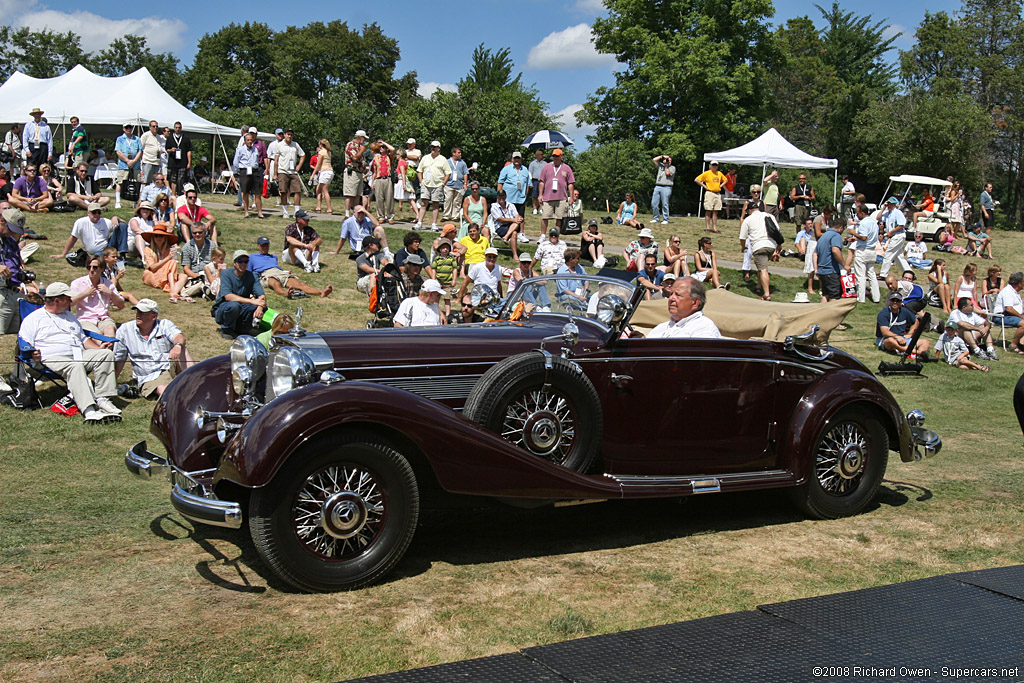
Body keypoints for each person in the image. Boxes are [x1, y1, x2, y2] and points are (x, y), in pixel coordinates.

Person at [19, 282, 121, 422]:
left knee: (106, 355)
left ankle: (103, 398)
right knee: (75, 366)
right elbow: (24, 341)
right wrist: (31, 353)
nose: (71, 301)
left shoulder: (69, 316)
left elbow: (83, 340)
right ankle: (89, 410)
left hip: (78, 354)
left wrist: (98, 349)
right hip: (54, 357)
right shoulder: (34, 319)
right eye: (67, 298)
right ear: (57, 300)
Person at [113, 298, 194, 397]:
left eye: (143, 312)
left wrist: (177, 346)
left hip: (168, 365)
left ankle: (195, 381)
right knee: (162, 389)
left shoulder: (164, 324)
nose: (138, 315)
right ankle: (183, 397)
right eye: (137, 311)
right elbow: (119, 359)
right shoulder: (125, 330)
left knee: (182, 349)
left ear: (154, 316)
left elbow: (179, 337)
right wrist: (111, 383)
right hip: (148, 375)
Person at [248, 236, 332, 299]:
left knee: (300, 284)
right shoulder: (252, 257)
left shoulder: (273, 257)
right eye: (263, 246)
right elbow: (249, 272)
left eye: (267, 245)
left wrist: (285, 271)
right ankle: (286, 294)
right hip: (266, 274)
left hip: (279, 272)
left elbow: (275, 267)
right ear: (258, 246)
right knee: (276, 284)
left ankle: (320, 292)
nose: (265, 248)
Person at [0, 208, 39, 335]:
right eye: (11, 229)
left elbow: (17, 263)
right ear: (2, 221)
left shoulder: (10, 241)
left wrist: (23, 276)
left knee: (16, 336)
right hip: (1, 295)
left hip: (15, 293)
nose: (13, 233)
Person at [214, 250, 267, 338]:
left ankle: (243, 328)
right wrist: (252, 301)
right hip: (224, 307)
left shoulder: (253, 276)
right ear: (234, 263)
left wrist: (260, 308)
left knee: (262, 307)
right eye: (240, 261)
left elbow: (262, 296)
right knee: (234, 305)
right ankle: (227, 329)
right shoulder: (226, 274)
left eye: (245, 261)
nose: (243, 264)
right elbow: (228, 296)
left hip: (242, 306)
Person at [648, 277, 722, 339]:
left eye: (678, 295)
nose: (671, 298)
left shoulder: (704, 329)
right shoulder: (661, 327)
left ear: (695, 302)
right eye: (671, 294)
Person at [70, 254, 125, 337]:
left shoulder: (108, 284)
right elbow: (70, 303)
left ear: (102, 269)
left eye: (95, 267)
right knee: (98, 336)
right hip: (85, 319)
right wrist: (84, 294)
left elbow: (121, 305)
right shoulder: (77, 283)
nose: (91, 270)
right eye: (89, 267)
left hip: (103, 318)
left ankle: (107, 347)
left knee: (110, 332)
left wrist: (110, 293)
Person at [738, 202, 780, 300]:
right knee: (762, 267)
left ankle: (766, 294)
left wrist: (743, 247)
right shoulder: (769, 216)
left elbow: (742, 237)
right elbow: (777, 230)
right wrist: (778, 247)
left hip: (759, 246)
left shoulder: (748, 219)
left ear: (749, 210)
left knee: (763, 269)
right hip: (771, 245)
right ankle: (759, 286)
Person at [139, 223, 189, 302]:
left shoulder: (168, 249)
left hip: (167, 274)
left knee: (184, 276)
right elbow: (152, 267)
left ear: (165, 237)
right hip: (153, 274)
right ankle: (173, 289)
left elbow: (171, 269)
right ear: (153, 238)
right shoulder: (148, 249)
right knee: (172, 262)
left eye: (161, 236)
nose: (159, 238)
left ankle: (173, 292)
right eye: (156, 236)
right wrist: (168, 258)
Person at [54, 203, 121, 258]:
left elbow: (125, 226)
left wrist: (116, 218)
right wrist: (63, 254)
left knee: (122, 225)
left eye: (99, 212)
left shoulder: (105, 221)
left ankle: (123, 253)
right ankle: (118, 260)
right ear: (88, 213)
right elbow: (73, 238)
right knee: (99, 258)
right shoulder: (80, 222)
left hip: (108, 246)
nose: (97, 215)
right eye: (94, 212)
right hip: (98, 252)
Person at [876, 292, 930, 357]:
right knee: (890, 341)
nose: (895, 302)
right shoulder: (883, 313)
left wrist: (910, 334)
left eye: (897, 301)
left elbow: (915, 321)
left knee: (925, 342)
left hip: (903, 338)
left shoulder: (904, 311)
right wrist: (897, 337)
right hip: (886, 339)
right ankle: (915, 352)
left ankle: (908, 351)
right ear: (889, 301)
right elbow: (885, 332)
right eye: (893, 300)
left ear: (901, 302)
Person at [537, 148, 575, 235]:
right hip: (548, 197)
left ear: (561, 156)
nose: (555, 158)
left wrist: (571, 197)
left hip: (561, 197)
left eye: (557, 156)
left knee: (559, 218)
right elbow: (542, 181)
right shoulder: (547, 167)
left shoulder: (567, 168)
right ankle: (543, 235)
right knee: (545, 216)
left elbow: (570, 183)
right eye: (554, 156)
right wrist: (540, 194)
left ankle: (555, 235)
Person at [847, 205, 880, 304]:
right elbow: (868, 237)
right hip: (872, 250)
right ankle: (876, 297)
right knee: (871, 274)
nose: (857, 215)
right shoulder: (874, 223)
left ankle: (861, 298)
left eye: (858, 213)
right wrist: (856, 238)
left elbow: (864, 237)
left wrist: (853, 233)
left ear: (862, 212)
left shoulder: (863, 223)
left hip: (863, 250)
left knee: (860, 275)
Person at [416, 141, 450, 231]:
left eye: (435, 147)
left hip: (438, 184)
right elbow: (419, 170)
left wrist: (443, 184)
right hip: (426, 184)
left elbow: (448, 173)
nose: (433, 149)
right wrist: (421, 182)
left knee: (436, 204)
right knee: (424, 203)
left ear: (439, 148)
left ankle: (434, 224)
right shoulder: (425, 158)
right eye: (432, 147)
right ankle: (419, 222)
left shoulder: (443, 159)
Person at [949, 296, 996, 360]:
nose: (973, 307)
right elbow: (962, 324)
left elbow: (985, 322)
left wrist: (987, 327)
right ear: (964, 307)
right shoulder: (955, 313)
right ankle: (977, 351)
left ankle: (990, 350)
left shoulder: (971, 314)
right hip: (956, 337)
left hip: (970, 336)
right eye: (971, 305)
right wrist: (978, 329)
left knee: (983, 327)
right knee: (965, 329)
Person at [272, 129, 305, 218]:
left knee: (297, 191)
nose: (289, 136)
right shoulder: (279, 145)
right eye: (288, 134)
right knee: (283, 191)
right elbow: (276, 160)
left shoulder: (295, 145)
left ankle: (297, 211)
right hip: (282, 171)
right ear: (285, 135)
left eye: (291, 135)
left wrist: (299, 165)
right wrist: (275, 174)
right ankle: (285, 211)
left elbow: (302, 155)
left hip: (293, 171)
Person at [180, 223, 217, 299]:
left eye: (200, 232)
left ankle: (204, 291)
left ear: (205, 232)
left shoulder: (213, 246)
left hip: (210, 274)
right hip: (195, 276)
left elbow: (217, 264)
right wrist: (197, 276)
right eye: (194, 233)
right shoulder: (186, 248)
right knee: (199, 283)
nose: (197, 235)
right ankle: (206, 290)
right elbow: (186, 269)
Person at [232, 133, 264, 219]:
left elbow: (257, 160)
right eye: (248, 140)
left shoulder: (255, 149)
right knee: (245, 192)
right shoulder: (240, 150)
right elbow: (235, 162)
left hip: (254, 171)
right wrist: (237, 172)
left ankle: (260, 212)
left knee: (257, 193)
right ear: (245, 141)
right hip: (244, 171)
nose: (250, 142)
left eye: (251, 140)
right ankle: (246, 212)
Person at [815, 217, 846, 302]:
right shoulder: (836, 235)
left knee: (825, 295)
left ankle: (820, 313)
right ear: (841, 227)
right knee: (834, 296)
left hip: (822, 270)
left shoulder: (823, 236)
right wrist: (844, 264)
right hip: (831, 271)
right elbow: (835, 250)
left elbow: (815, 253)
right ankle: (833, 315)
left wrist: (816, 268)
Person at [992, 271, 1024, 353]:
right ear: (1018, 283)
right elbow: (1009, 309)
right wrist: (1021, 317)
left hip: (1011, 315)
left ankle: (1020, 343)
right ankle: (1013, 345)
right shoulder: (1008, 291)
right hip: (1002, 316)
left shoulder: (1015, 292)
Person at [282, 209, 323, 273]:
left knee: (316, 245)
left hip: (303, 252)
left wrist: (313, 244)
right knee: (294, 246)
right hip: (290, 255)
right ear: (298, 219)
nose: (308, 221)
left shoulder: (309, 229)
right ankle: (306, 265)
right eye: (305, 219)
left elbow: (319, 239)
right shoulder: (290, 228)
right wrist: (304, 245)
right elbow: (289, 239)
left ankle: (315, 265)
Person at [879, 196, 910, 278]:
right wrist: (883, 208)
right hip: (893, 236)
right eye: (889, 203)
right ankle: (909, 272)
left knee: (888, 254)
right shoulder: (887, 214)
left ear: (895, 204)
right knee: (899, 257)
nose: (889, 205)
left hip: (898, 235)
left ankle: (883, 274)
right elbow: (878, 218)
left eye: (891, 204)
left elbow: (901, 225)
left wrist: (891, 232)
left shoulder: (898, 213)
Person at [489, 190, 525, 259]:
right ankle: (515, 255)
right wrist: (514, 220)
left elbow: (516, 215)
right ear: (497, 197)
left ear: (505, 196)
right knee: (514, 232)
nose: (501, 198)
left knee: (516, 225)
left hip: (511, 225)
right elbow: (500, 219)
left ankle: (506, 237)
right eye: (499, 196)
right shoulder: (494, 206)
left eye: (502, 196)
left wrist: (519, 218)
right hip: (500, 227)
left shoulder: (511, 205)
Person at [113, 123, 142, 209]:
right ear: (123, 129)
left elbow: (140, 151)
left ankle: (136, 201)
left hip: (135, 165)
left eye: (130, 127)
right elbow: (118, 151)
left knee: (137, 183)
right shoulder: (120, 139)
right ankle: (118, 201)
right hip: (123, 165)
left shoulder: (137, 139)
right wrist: (127, 161)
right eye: (127, 127)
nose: (128, 129)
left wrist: (134, 161)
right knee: (120, 182)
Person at [497, 150, 532, 219]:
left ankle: (520, 230)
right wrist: (499, 197)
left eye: (518, 158)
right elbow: (500, 183)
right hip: (508, 199)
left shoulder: (525, 170)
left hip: (520, 199)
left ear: (521, 159)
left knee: (520, 219)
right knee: (509, 218)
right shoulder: (506, 169)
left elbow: (528, 184)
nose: (516, 160)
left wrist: (525, 195)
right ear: (512, 159)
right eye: (515, 158)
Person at [694, 161, 727, 233]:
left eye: (716, 165)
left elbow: (725, 180)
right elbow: (697, 179)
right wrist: (704, 186)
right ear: (710, 166)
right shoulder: (707, 173)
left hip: (717, 193)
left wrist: (720, 186)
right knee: (708, 210)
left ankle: (714, 227)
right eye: (713, 165)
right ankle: (708, 227)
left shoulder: (719, 173)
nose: (714, 166)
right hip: (710, 193)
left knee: (716, 211)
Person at [341, 130, 368, 217]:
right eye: (364, 138)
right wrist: (362, 151)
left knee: (358, 194)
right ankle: (347, 214)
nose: (364, 141)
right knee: (350, 194)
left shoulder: (360, 147)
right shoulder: (351, 145)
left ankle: (355, 213)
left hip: (359, 173)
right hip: (352, 172)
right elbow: (355, 158)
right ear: (360, 138)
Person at [370, 139, 396, 223]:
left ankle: (390, 216)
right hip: (379, 179)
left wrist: (384, 142)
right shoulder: (376, 158)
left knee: (389, 198)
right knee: (379, 199)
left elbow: (393, 149)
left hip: (388, 179)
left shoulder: (389, 156)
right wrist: (373, 182)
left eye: (383, 147)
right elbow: (374, 171)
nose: (381, 148)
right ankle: (381, 216)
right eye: (380, 147)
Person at [165, 121, 192, 195]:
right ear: (174, 128)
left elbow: (189, 151)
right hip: (173, 162)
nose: (178, 129)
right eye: (176, 128)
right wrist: (171, 150)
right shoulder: (170, 138)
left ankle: (180, 194)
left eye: (179, 128)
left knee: (181, 179)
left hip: (182, 162)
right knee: (173, 179)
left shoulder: (186, 138)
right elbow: (166, 149)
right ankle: (173, 194)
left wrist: (189, 162)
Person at [443, 146, 469, 222]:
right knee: (448, 199)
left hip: (459, 185)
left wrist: (465, 183)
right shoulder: (447, 162)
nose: (460, 154)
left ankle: (455, 216)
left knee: (457, 201)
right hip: (449, 184)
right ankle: (446, 215)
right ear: (453, 153)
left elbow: (465, 173)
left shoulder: (462, 163)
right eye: (458, 152)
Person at [311, 139, 334, 215]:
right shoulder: (329, 152)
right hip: (329, 171)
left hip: (325, 172)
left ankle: (329, 208)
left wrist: (313, 175)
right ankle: (318, 207)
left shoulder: (321, 152)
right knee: (318, 189)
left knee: (325, 190)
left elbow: (318, 165)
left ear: (321, 145)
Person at [650, 154, 675, 224]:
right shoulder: (661, 166)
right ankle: (656, 218)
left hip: (667, 187)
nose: (668, 161)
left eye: (669, 160)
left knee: (665, 204)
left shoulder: (672, 168)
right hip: (658, 186)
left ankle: (666, 219)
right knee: (654, 203)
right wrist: (662, 156)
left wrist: (667, 166)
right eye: (667, 160)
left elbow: (667, 173)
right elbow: (654, 160)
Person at [528, 149, 547, 215]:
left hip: (543, 181)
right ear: (537, 155)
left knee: (542, 195)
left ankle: (542, 208)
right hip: (535, 180)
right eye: (541, 154)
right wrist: (530, 182)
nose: (542, 156)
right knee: (534, 195)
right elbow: (530, 173)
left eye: (542, 154)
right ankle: (535, 209)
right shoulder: (532, 163)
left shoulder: (545, 163)